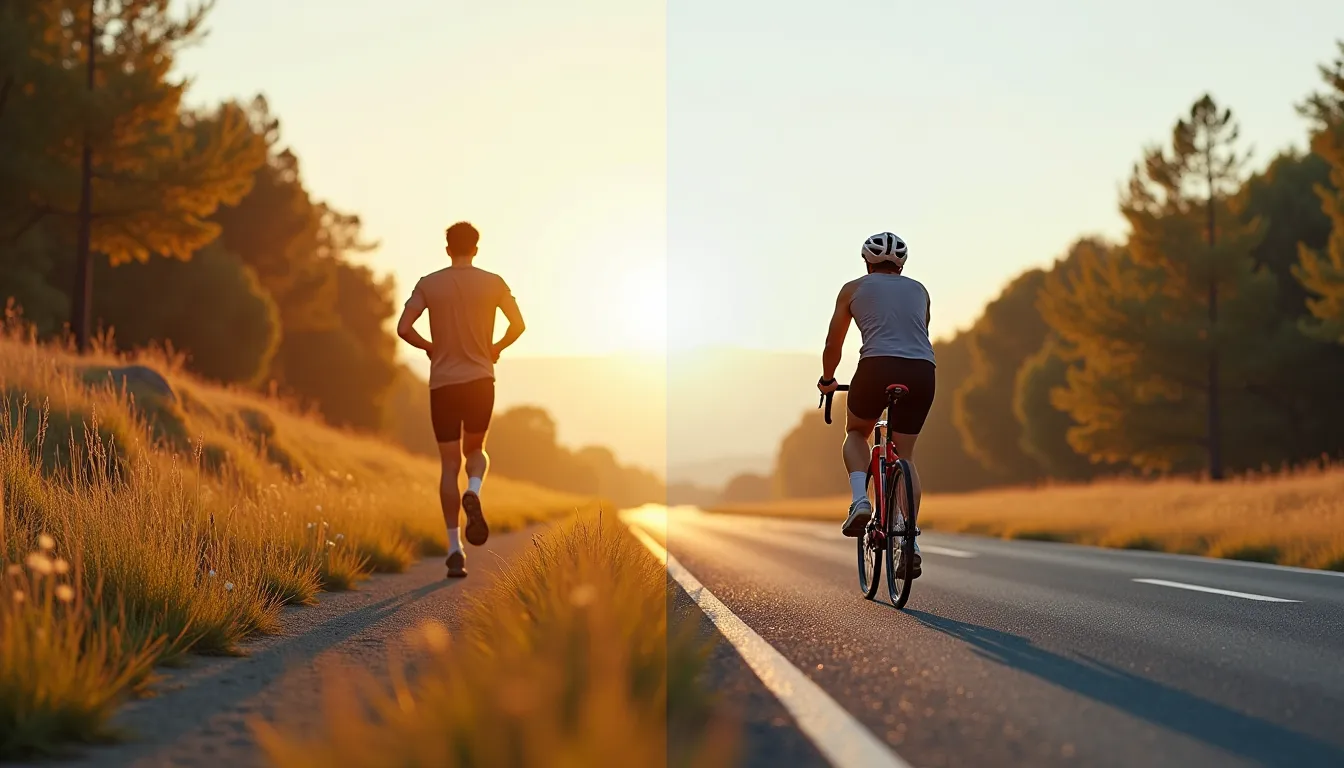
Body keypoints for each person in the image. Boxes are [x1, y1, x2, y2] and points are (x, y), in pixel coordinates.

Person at [397, 221, 525, 579]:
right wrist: (495, 349)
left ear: (447, 248)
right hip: (481, 380)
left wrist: (431, 348)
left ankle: (455, 550)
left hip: (443, 385)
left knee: (448, 464)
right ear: (477, 248)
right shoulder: (494, 283)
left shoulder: (428, 284)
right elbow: (519, 325)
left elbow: (404, 328)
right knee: (476, 453)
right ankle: (475, 490)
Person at [817, 232, 935, 578]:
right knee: (906, 454)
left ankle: (860, 500)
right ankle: (909, 540)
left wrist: (828, 379)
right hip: (921, 371)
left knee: (856, 431)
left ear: (867, 262)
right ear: (901, 264)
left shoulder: (853, 289)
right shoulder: (920, 290)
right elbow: (919, 333)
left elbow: (833, 341)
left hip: (875, 367)